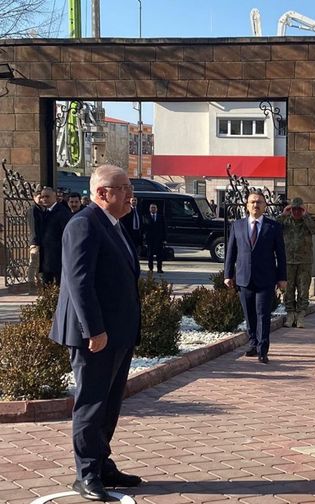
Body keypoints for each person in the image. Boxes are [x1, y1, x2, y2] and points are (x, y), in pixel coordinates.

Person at [49, 165, 142, 502]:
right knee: (91, 404)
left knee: (110, 404)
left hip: (117, 334)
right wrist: (95, 330)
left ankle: (102, 464)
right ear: (103, 193)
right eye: (125, 187)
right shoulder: (83, 224)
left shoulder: (114, 224)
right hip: (95, 336)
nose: (131, 193)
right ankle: (86, 474)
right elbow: (79, 282)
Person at [224, 190, 287, 363]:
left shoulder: (273, 227)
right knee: (249, 314)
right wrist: (228, 274)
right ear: (247, 205)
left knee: (263, 314)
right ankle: (252, 344)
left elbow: (281, 254)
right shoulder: (237, 225)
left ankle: (263, 348)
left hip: (266, 279)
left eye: (259, 202)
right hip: (244, 278)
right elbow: (231, 251)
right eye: (252, 202)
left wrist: (282, 277)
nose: (255, 205)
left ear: (265, 206)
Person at [277, 197, 315, 328]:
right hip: (288, 261)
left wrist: (306, 216)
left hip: (304, 261)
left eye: (299, 209)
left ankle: (301, 315)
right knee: (288, 290)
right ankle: (290, 315)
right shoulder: (285, 221)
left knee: (303, 290)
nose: (296, 212)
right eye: (293, 209)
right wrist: (283, 214)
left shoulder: (308, 221)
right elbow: (274, 228)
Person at [37, 187, 72, 285]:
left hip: (58, 256)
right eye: (42, 197)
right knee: (46, 286)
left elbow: (67, 234)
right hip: (46, 258)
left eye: (47, 196)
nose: (44, 199)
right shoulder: (44, 211)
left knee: (59, 285)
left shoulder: (62, 212)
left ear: (55, 197)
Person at [143, 203, 167, 273]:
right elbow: (144, 229)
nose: (153, 209)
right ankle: (151, 269)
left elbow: (164, 228)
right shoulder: (146, 217)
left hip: (159, 239)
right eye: (152, 208)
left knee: (159, 255)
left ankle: (159, 268)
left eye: (154, 208)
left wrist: (165, 239)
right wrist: (144, 240)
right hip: (150, 240)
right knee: (150, 255)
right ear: (149, 209)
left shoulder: (161, 217)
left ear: (156, 209)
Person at [27, 190, 44, 286]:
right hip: (36, 241)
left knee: (39, 263)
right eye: (39, 197)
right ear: (34, 198)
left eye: (42, 197)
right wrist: (37, 242)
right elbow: (33, 227)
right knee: (33, 262)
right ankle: (31, 282)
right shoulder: (33, 210)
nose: (41, 199)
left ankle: (38, 281)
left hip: (40, 241)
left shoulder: (41, 209)